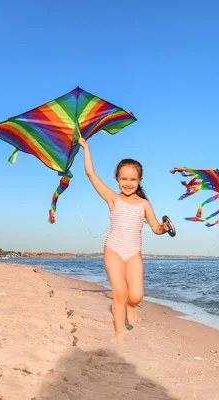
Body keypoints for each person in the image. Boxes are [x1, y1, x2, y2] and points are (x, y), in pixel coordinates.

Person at [78, 137, 169, 344]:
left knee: (136, 295)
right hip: (113, 250)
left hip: (133, 254)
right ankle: (119, 333)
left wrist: (163, 228)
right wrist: (86, 148)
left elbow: (156, 228)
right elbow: (91, 174)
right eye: (124, 179)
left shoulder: (144, 204)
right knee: (119, 292)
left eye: (133, 179)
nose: (128, 183)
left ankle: (131, 306)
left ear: (140, 180)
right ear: (117, 179)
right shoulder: (113, 198)